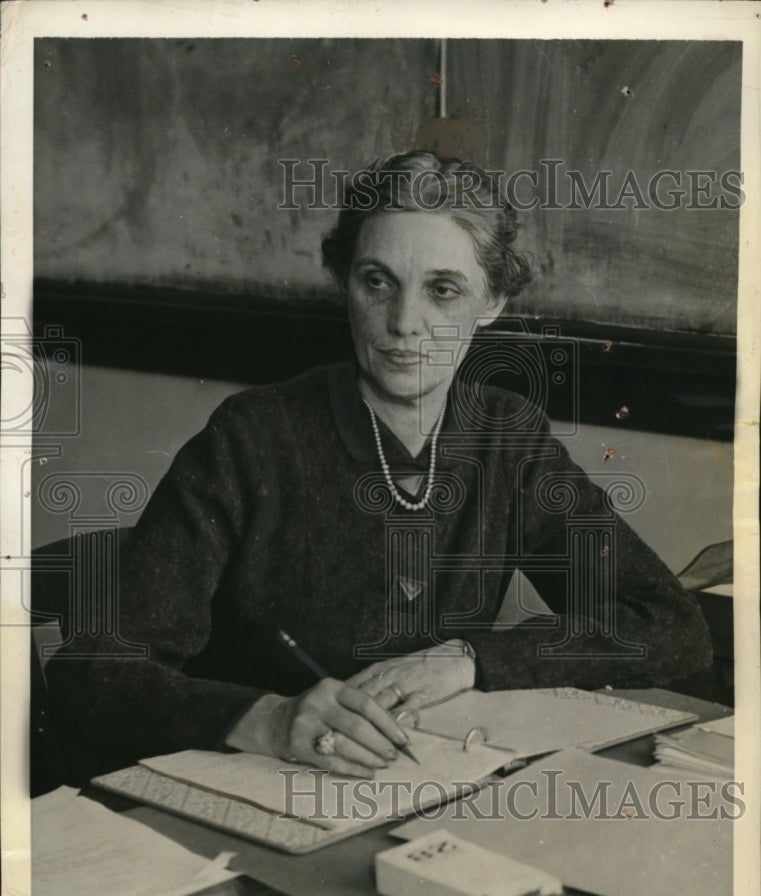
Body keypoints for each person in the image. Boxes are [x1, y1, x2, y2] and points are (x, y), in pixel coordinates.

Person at [45, 150, 713, 781]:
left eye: (443, 291)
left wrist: (470, 660)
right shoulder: (252, 437)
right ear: (345, 284)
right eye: (376, 283)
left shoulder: (506, 439)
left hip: (422, 784)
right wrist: (269, 719)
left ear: (492, 304)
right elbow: (96, 674)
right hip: (249, 789)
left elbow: (669, 626)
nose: (402, 324)